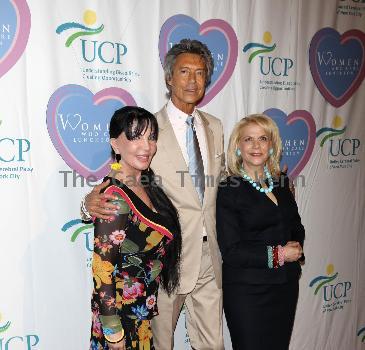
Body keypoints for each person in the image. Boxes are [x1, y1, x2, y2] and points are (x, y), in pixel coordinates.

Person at [82, 39, 225, 349]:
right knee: (159, 344)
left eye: (200, 73)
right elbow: (120, 180)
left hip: (209, 255)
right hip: (166, 258)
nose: (192, 80)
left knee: (213, 343)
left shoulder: (215, 126)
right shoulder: (148, 129)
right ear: (168, 77)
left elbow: (221, 181)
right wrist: (87, 204)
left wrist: (269, 179)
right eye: (184, 71)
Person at [90, 106, 182, 350]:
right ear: (116, 145)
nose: (146, 146)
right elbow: (102, 268)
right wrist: (112, 332)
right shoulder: (114, 197)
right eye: (135, 136)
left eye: (151, 137)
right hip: (121, 321)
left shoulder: (146, 184)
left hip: (141, 317)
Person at [216, 114, 305, 350]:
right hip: (248, 291)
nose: (256, 146)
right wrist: (280, 254)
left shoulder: (282, 182)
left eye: (263, 138)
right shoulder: (228, 189)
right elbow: (232, 251)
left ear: (272, 145)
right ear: (238, 146)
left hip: (285, 287)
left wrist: (296, 248)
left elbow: (296, 226)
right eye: (248, 139)